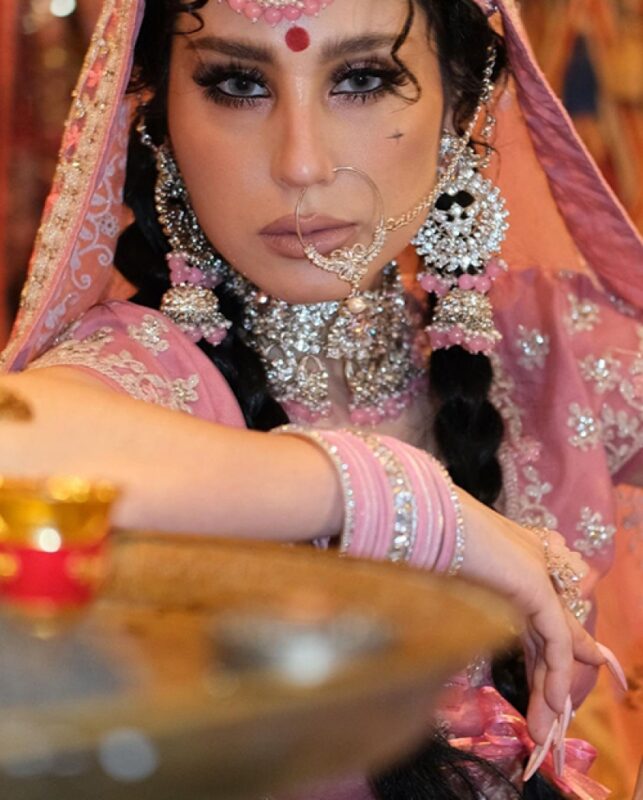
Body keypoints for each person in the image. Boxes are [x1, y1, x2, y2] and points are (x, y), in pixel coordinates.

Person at [0, 0, 641, 796]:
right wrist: (403, 500)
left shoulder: (548, 348)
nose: (301, 163)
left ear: (464, 101)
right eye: (238, 84)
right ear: (159, 122)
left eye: (362, 79)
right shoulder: (147, 381)